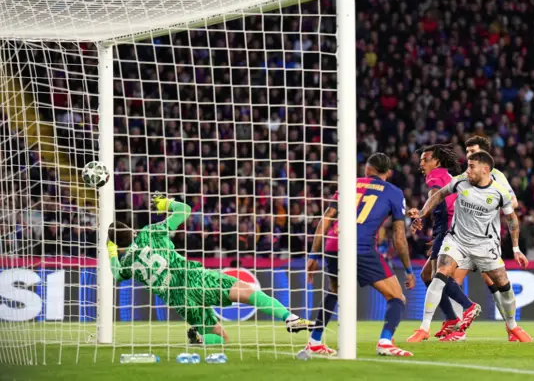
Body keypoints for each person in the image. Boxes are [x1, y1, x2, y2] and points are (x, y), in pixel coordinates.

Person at [107, 194, 313, 345]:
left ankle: (199, 339)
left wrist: (111, 251)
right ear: (131, 229)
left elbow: (116, 273)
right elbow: (184, 210)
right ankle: (290, 319)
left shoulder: (127, 263)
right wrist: (164, 202)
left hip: (179, 299)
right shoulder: (149, 231)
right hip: (193, 278)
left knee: (221, 337)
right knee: (250, 293)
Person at [407, 151, 532, 342]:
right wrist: (423, 213)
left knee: (504, 285)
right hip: (457, 241)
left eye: (472, 166)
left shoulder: (500, 192)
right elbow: (439, 194)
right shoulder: (460, 181)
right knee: (440, 274)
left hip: (484, 245)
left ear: (485, 169)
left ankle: (512, 326)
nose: (468, 170)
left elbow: (512, 219)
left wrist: (516, 248)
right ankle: (424, 328)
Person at [305, 153, 416, 357]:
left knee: (334, 290)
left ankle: (314, 341)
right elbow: (399, 237)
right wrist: (408, 270)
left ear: (367, 169)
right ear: (388, 173)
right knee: (397, 297)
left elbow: (325, 220)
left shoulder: (349, 185)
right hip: (360, 247)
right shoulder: (394, 192)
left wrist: (313, 255)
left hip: (333, 244)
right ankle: (385, 341)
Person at [406, 144, 480, 343]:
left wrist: (421, 212)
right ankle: (451, 318)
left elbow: (435, 196)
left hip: (448, 226)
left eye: (426, 159)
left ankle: (468, 307)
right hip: (447, 224)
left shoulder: (436, 175)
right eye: (421, 159)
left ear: (436, 161)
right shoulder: (445, 175)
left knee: (438, 275)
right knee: (427, 275)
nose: (422, 163)